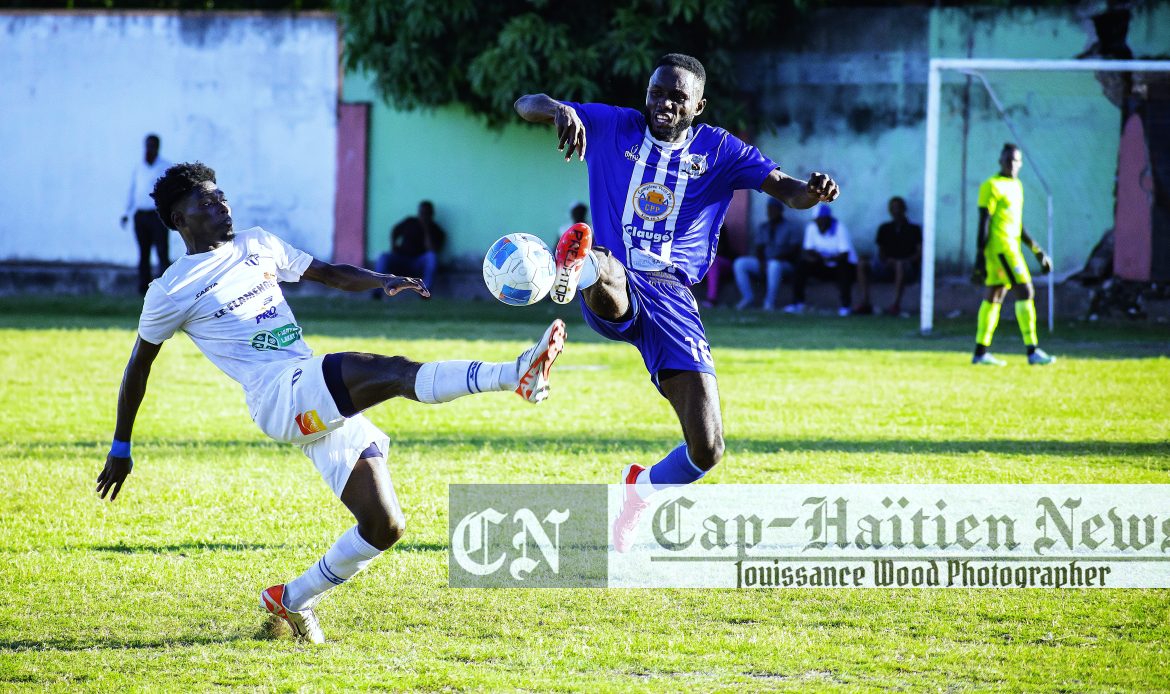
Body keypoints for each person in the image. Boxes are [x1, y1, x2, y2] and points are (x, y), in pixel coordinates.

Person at [96, 162, 566, 643]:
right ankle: (514, 375)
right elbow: (138, 367)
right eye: (206, 202)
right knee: (392, 371)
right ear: (179, 219)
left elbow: (328, 273)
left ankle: (293, 598)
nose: (222, 206)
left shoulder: (257, 243)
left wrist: (381, 279)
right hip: (278, 394)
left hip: (308, 385)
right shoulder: (170, 289)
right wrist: (121, 446)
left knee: (384, 526)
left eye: (222, 197)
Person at [514, 53, 839, 551]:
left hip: (672, 296)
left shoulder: (721, 150)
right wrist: (559, 108)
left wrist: (811, 192)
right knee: (608, 275)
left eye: (676, 96)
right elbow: (525, 103)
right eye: (656, 92)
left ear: (698, 106)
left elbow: (785, 189)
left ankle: (638, 491)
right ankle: (578, 266)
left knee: (707, 449)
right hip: (616, 273)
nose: (662, 103)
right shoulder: (613, 125)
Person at [970, 144, 1055, 365]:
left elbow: (1017, 225)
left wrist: (1037, 251)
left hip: (1012, 247)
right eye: (1008, 160)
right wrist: (979, 258)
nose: (1011, 164)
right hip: (1000, 249)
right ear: (1000, 160)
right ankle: (1032, 350)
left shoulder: (1016, 186)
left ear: (1021, 163)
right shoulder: (991, 185)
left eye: (1016, 161)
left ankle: (980, 352)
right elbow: (983, 223)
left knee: (995, 295)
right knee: (1025, 290)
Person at [853, 196, 922, 316]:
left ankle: (895, 305)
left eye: (898, 208)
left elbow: (919, 253)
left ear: (904, 209)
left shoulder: (914, 229)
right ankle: (865, 302)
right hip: (887, 265)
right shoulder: (884, 228)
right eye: (892, 208)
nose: (895, 211)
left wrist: (902, 261)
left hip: (906, 267)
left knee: (900, 265)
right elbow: (881, 251)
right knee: (862, 263)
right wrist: (887, 261)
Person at [121, 134, 173, 294]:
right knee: (144, 253)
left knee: (162, 252)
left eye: (152, 146)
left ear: (157, 147)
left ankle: (165, 289)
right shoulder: (139, 167)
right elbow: (132, 190)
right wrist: (126, 212)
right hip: (140, 215)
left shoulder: (165, 166)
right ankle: (143, 289)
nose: (149, 149)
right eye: (147, 145)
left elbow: (169, 191)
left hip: (157, 216)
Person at [785, 204, 856, 316]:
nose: (820, 223)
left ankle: (846, 306)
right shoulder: (811, 228)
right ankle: (798, 303)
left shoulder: (839, 228)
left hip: (841, 266)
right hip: (823, 264)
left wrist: (828, 258)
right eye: (818, 220)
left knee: (844, 268)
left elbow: (844, 254)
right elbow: (808, 250)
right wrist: (819, 258)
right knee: (802, 265)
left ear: (828, 219)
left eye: (823, 220)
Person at [733, 198, 803, 310]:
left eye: (774, 209)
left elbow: (795, 250)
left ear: (780, 210)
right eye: (769, 209)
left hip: (783, 264)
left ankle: (769, 302)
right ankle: (747, 297)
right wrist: (761, 262)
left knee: (774, 265)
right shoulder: (763, 227)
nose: (771, 212)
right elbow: (759, 247)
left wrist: (777, 258)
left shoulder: (791, 227)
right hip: (765, 262)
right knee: (740, 263)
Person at [373, 201, 445, 294]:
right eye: (422, 213)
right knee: (383, 257)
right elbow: (395, 231)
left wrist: (426, 229)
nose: (423, 216)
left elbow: (432, 250)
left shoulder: (437, 230)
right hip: (402, 259)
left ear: (431, 214)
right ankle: (377, 292)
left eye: (426, 213)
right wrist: (393, 245)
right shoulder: (410, 222)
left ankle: (425, 291)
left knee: (431, 257)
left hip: (419, 263)